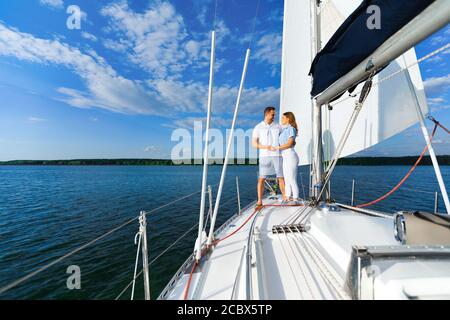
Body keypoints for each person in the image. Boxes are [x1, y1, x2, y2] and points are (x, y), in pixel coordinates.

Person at [252, 106, 286, 207]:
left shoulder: (278, 127)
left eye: (274, 114)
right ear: (266, 114)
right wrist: (266, 147)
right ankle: (259, 200)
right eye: (272, 114)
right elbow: (254, 144)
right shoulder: (258, 127)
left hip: (277, 155)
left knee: (281, 177)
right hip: (264, 156)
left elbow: (283, 140)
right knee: (261, 179)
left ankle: (285, 197)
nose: (274, 116)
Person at [270, 112, 300, 203]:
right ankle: (287, 197)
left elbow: (290, 143)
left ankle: (295, 199)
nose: (281, 120)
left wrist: (277, 148)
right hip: (285, 156)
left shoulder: (291, 129)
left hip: (290, 155)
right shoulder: (284, 130)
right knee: (286, 179)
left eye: (283, 118)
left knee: (292, 179)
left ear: (288, 119)